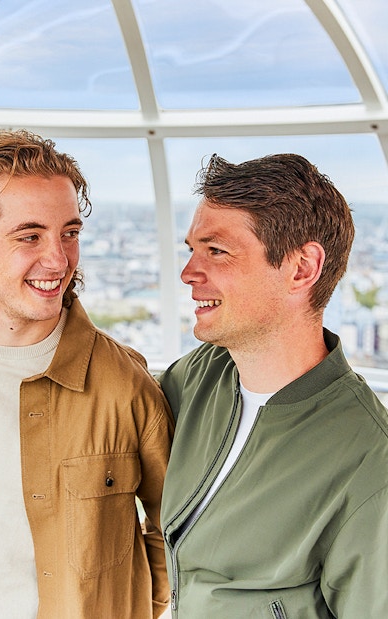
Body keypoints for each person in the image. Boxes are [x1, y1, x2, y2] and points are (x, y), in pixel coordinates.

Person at [0, 130, 174, 619]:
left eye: (70, 233)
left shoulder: (125, 386)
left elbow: (177, 528)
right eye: (30, 235)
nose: (58, 259)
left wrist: (137, 608)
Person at [159, 153, 388, 618]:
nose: (188, 273)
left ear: (302, 268)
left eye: (216, 251)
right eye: (191, 250)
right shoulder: (200, 377)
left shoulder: (370, 465)